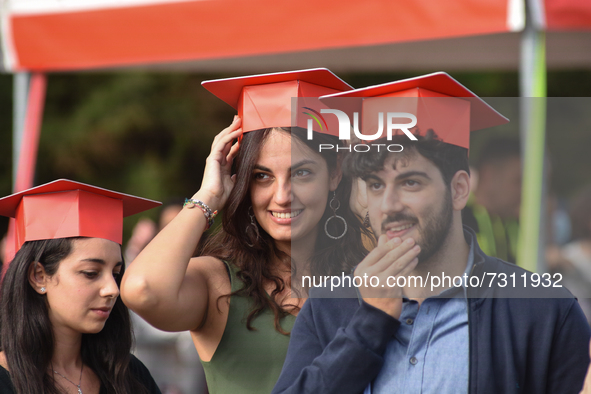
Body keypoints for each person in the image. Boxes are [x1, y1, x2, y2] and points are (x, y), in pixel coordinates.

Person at [272, 72, 591, 394]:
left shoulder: (540, 307)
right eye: (375, 185)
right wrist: (369, 323)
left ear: (459, 189)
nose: (389, 205)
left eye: (410, 182)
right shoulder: (330, 305)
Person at [121, 69, 370, 394]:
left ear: (335, 173)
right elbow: (143, 290)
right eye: (262, 176)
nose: (282, 195)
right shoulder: (218, 283)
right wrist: (208, 196)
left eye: (302, 173)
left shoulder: (369, 276)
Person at [0, 179, 162, 394]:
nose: (113, 289)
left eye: (115, 274)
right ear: (39, 276)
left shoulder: (129, 374)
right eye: (91, 273)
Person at [462, 137, 521, 263]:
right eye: (517, 181)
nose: (523, 191)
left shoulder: (516, 223)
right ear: (489, 174)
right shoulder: (458, 219)